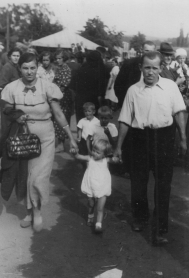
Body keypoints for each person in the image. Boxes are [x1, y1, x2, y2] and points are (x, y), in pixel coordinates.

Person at [0, 52, 78, 232]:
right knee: (25, 176)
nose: (29, 72)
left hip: (45, 137)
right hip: (22, 138)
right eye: (25, 68)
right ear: (19, 68)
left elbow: (59, 114)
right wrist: (16, 115)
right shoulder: (12, 88)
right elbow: (6, 109)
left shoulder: (47, 86)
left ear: (37, 67)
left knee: (38, 177)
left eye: (32, 68)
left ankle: (37, 212)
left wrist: (71, 138)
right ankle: (29, 212)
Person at [114, 51, 187, 245]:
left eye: (155, 68)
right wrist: (119, 147)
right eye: (147, 67)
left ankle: (160, 229)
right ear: (141, 68)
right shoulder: (133, 90)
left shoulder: (171, 87)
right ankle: (140, 217)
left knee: (163, 185)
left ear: (161, 68)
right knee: (138, 182)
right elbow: (124, 120)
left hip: (164, 139)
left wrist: (183, 138)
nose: (151, 72)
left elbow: (179, 111)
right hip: (139, 138)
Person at [114, 41, 156, 175]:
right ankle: (126, 167)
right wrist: (125, 103)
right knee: (127, 137)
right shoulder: (129, 64)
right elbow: (118, 85)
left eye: (150, 51)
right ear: (141, 51)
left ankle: (140, 168)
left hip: (147, 110)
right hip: (130, 107)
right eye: (145, 51)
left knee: (142, 139)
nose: (147, 54)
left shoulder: (155, 67)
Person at [73, 139, 118, 233]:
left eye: (98, 152)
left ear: (104, 154)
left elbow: (115, 161)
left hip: (102, 186)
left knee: (100, 208)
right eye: (93, 150)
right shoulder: (89, 158)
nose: (94, 153)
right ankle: (90, 215)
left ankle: (98, 224)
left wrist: (116, 159)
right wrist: (75, 152)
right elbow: (78, 156)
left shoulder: (106, 160)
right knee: (91, 204)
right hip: (91, 185)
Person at [70, 51, 106, 122]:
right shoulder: (100, 71)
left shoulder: (80, 70)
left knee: (81, 123)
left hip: (80, 101)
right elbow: (102, 90)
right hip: (94, 101)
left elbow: (72, 86)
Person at [0, 47, 22, 135]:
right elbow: (1, 84)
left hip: (15, 98)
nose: (16, 58)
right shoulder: (7, 67)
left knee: (15, 124)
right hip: (7, 99)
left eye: (18, 56)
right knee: (6, 124)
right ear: (9, 57)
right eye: (14, 55)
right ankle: (5, 146)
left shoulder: (17, 67)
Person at [53, 49, 73, 153]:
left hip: (63, 97)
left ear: (64, 58)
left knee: (62, 119)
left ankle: (61, 144)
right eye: (56, 58)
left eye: (60, 58)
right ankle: (61, 143)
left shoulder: (66, 69)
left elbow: (64, 85)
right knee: (57, 121)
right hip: (58, 96)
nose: (57, 60)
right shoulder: (59, 68)